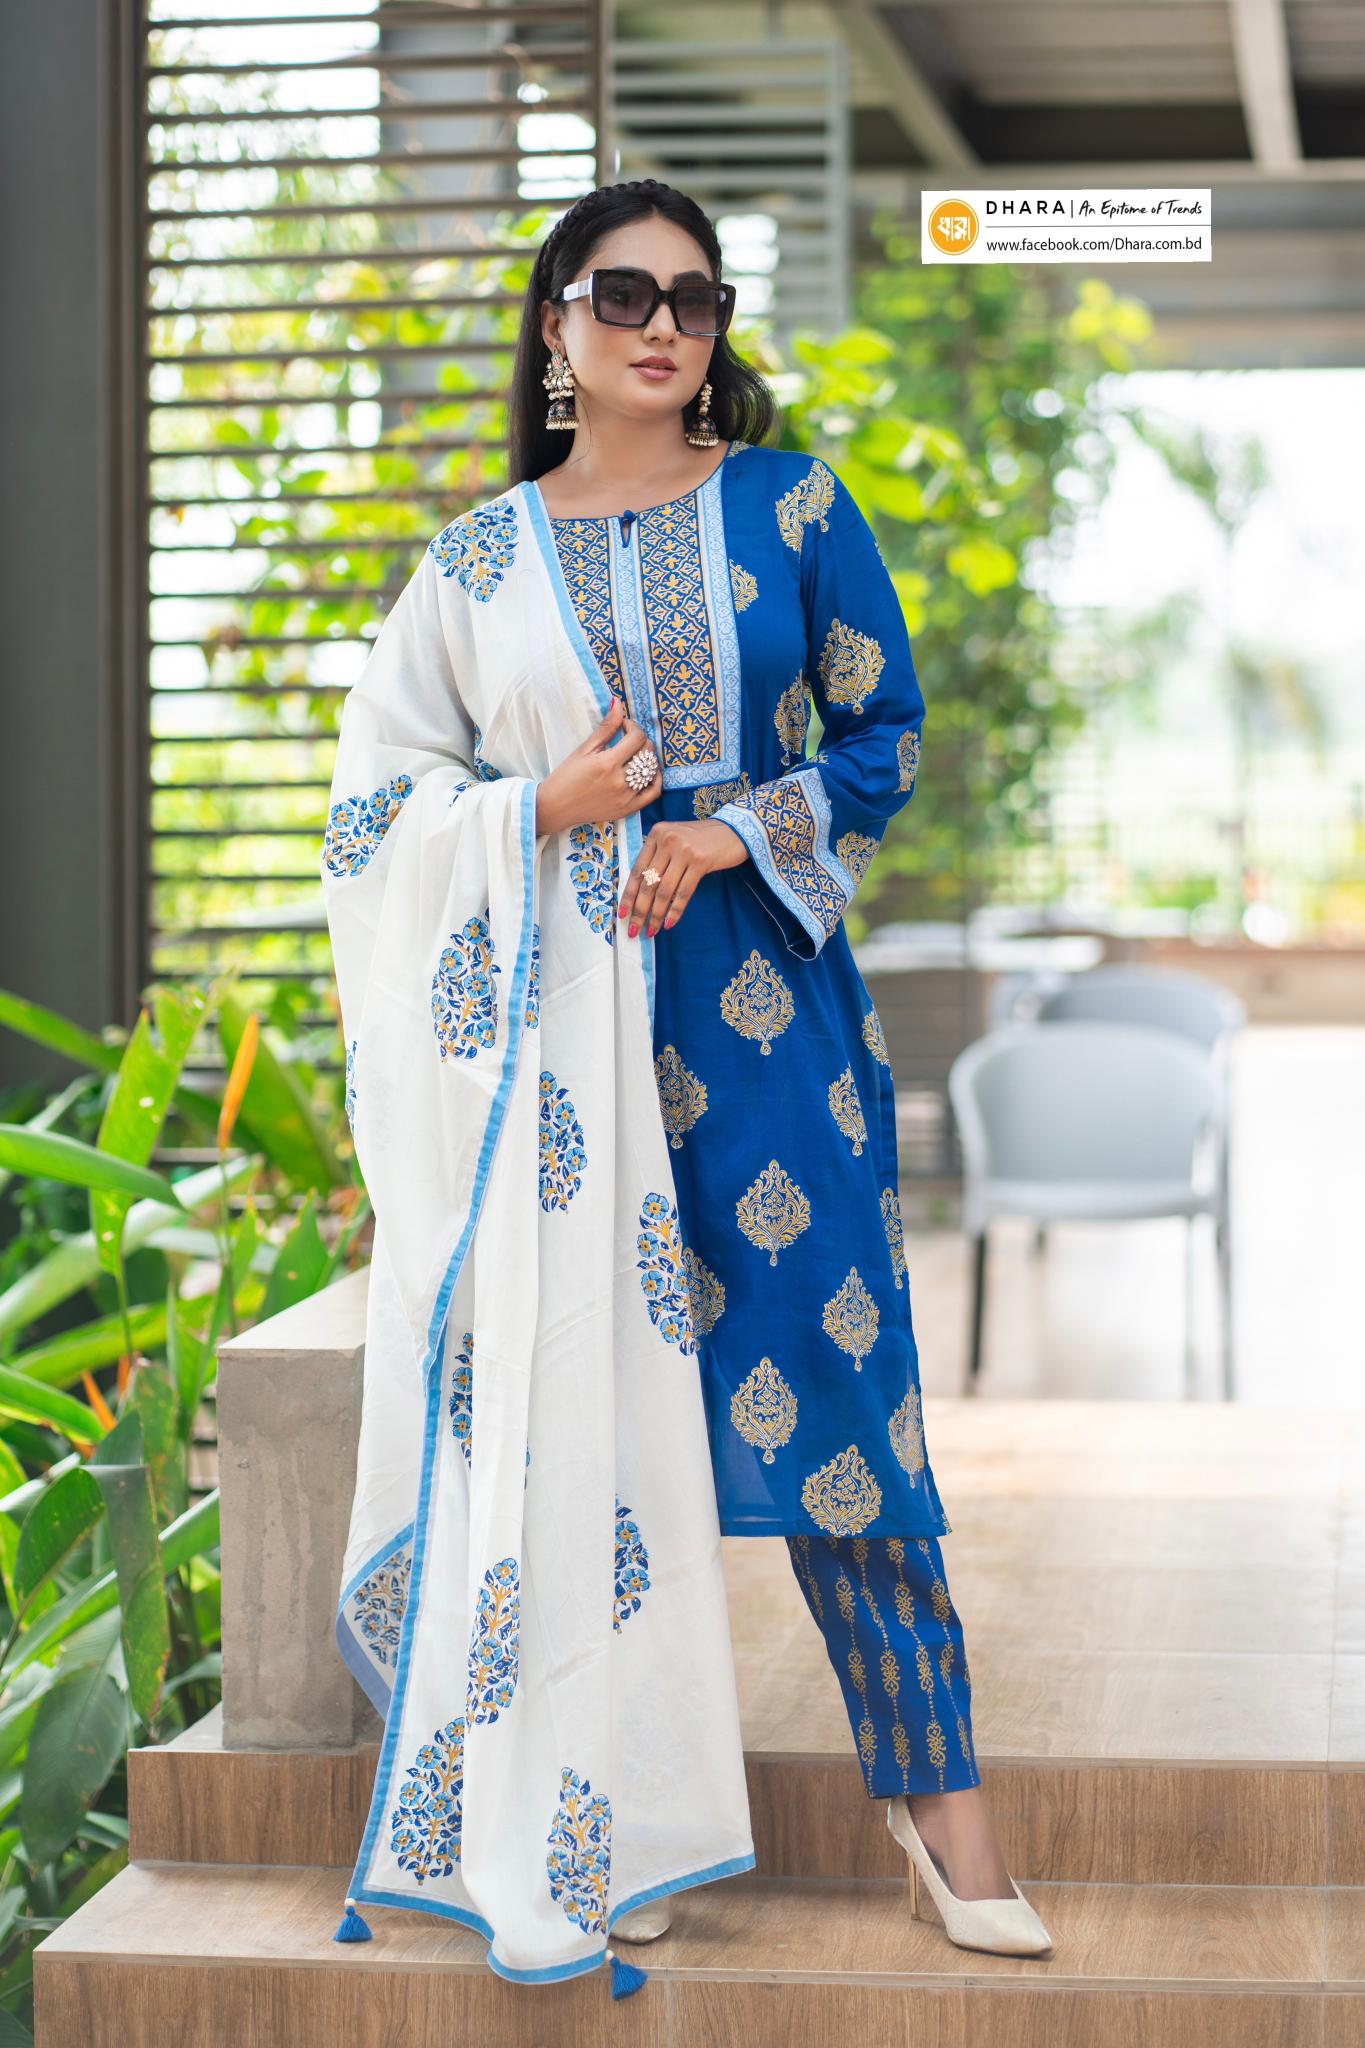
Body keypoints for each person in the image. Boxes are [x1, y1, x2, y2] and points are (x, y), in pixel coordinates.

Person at [323, 177, 1049, 2002]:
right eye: (625, 294)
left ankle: (943, 1807)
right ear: (554, 323)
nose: (665, 326)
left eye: (697, 300)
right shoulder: (477, 563)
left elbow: (881, 736)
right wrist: (539, 811)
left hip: (763, 1020)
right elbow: (376, 801)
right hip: (559, 1040)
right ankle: (604, 1819)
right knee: (578, 1415)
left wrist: (727, 832)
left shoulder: (792, 506)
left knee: (843, 1406)